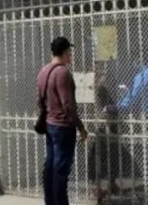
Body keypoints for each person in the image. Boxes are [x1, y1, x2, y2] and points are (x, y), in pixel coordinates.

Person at [36, 36, 88, 205]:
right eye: (69, 52)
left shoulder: (43, 71)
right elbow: (68, 105)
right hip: (63, 127)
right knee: (61, 170)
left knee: (50, 166)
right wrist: (80, 127)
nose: (70, 56)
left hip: (50, 124)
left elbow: (39, 101)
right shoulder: (63, 73)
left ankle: (50, 201)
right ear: (65, 52)